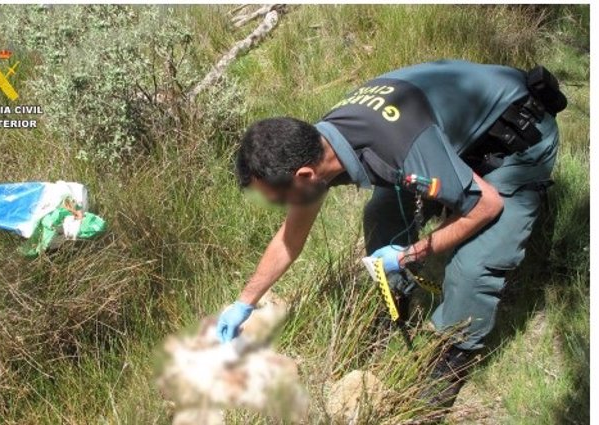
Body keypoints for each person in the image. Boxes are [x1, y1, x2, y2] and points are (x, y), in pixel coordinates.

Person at [216, 59, 564, 407]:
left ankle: (451, 360)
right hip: (446, 138)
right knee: (382, 216)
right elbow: (290, 239)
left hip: (516, 138)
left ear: (305, 176)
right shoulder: (318, 145)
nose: (281, 207)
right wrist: (243, 303)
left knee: (471, 268)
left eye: (279, 199)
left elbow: (487, 205)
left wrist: (409, 255)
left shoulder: (395, 147)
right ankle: (394, 304)